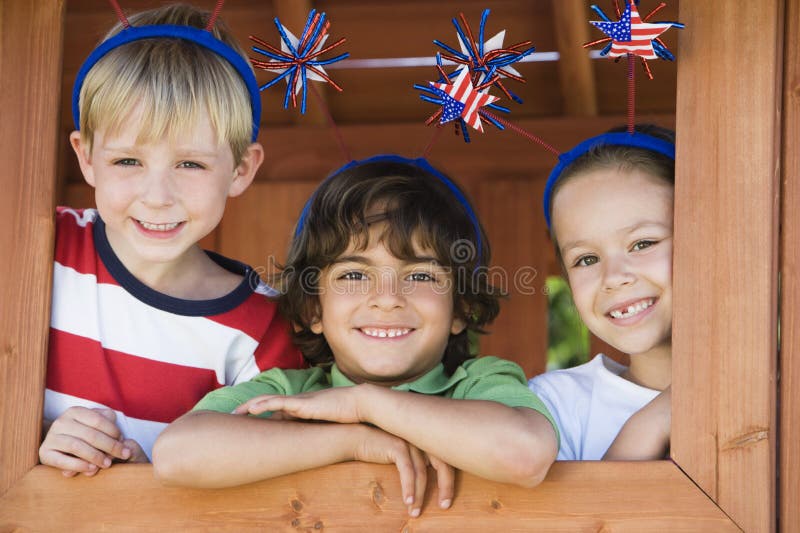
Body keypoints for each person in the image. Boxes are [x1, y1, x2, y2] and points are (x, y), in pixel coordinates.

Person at [152, 155, 559, 516]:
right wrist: (353, 441)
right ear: (314, 309)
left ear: (461, 308)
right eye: (353, 274)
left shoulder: (480, 384)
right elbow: (177, 454)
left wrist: (364, 402)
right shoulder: (291, 391)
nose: (386, 299)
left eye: (419, 274)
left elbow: (524, 454)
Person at [41, 4, 303, 477]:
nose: (158, 197)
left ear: (241, 169)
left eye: (190, 164)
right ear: (85, 157)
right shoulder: (38, 248)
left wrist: (146, 481)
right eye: (127, 162)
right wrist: (32, 437)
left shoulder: (263, 331)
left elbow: (267, 493)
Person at [528, 124, 675, 461]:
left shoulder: (783, 388)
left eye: (642, 243)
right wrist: (648, 426)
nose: (613, 277)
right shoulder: (556, 407)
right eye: (587, 259)